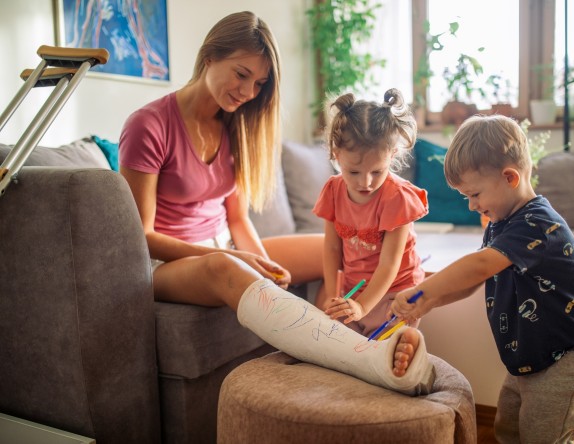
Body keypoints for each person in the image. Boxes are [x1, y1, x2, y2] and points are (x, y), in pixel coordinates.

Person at [118, 11, 433, 394]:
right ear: (210, 56)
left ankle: (352, 333)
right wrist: (237, 259)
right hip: (166, 264)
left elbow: (236, 219)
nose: (249, 92)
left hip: (225, 247)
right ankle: (362, 358)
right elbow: (142, 237)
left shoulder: (231, 126)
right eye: (241, 74)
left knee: (336, 247)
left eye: (259, 83)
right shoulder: (148, 125)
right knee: (223, 265)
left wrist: (262, 264)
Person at [390, 114, 574, 439]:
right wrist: (430, 303)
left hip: (566, 359)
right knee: (509, 429)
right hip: (529, 357)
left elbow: (477, 266)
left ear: (510, 177)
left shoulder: (536, 224)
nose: (472, 205)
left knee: (543, 436)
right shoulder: (501, 223)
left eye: (475, 194)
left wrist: (423, 290)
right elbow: (474, 280)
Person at [313, 89, 428, 338]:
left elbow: (389, 264)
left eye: (377, 172)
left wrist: (363, 307)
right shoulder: (333, 190)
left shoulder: (397, 197)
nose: (365, 183)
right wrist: (333, 295)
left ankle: (405, 343)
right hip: (353, 291)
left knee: (390, 338)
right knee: (334, 338)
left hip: (396, 292)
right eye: (353, 172)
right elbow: (331, 248)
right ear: (336, 154)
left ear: (392, 155)